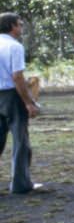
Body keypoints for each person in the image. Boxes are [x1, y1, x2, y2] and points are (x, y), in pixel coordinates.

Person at [0, 12, 41, 194]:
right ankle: (20, 185)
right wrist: (29, 102)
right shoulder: (14, 47)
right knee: (20, 140)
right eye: (20, 24)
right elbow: (17, 77)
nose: (21, 28)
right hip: (11, 95)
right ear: (11, 26)